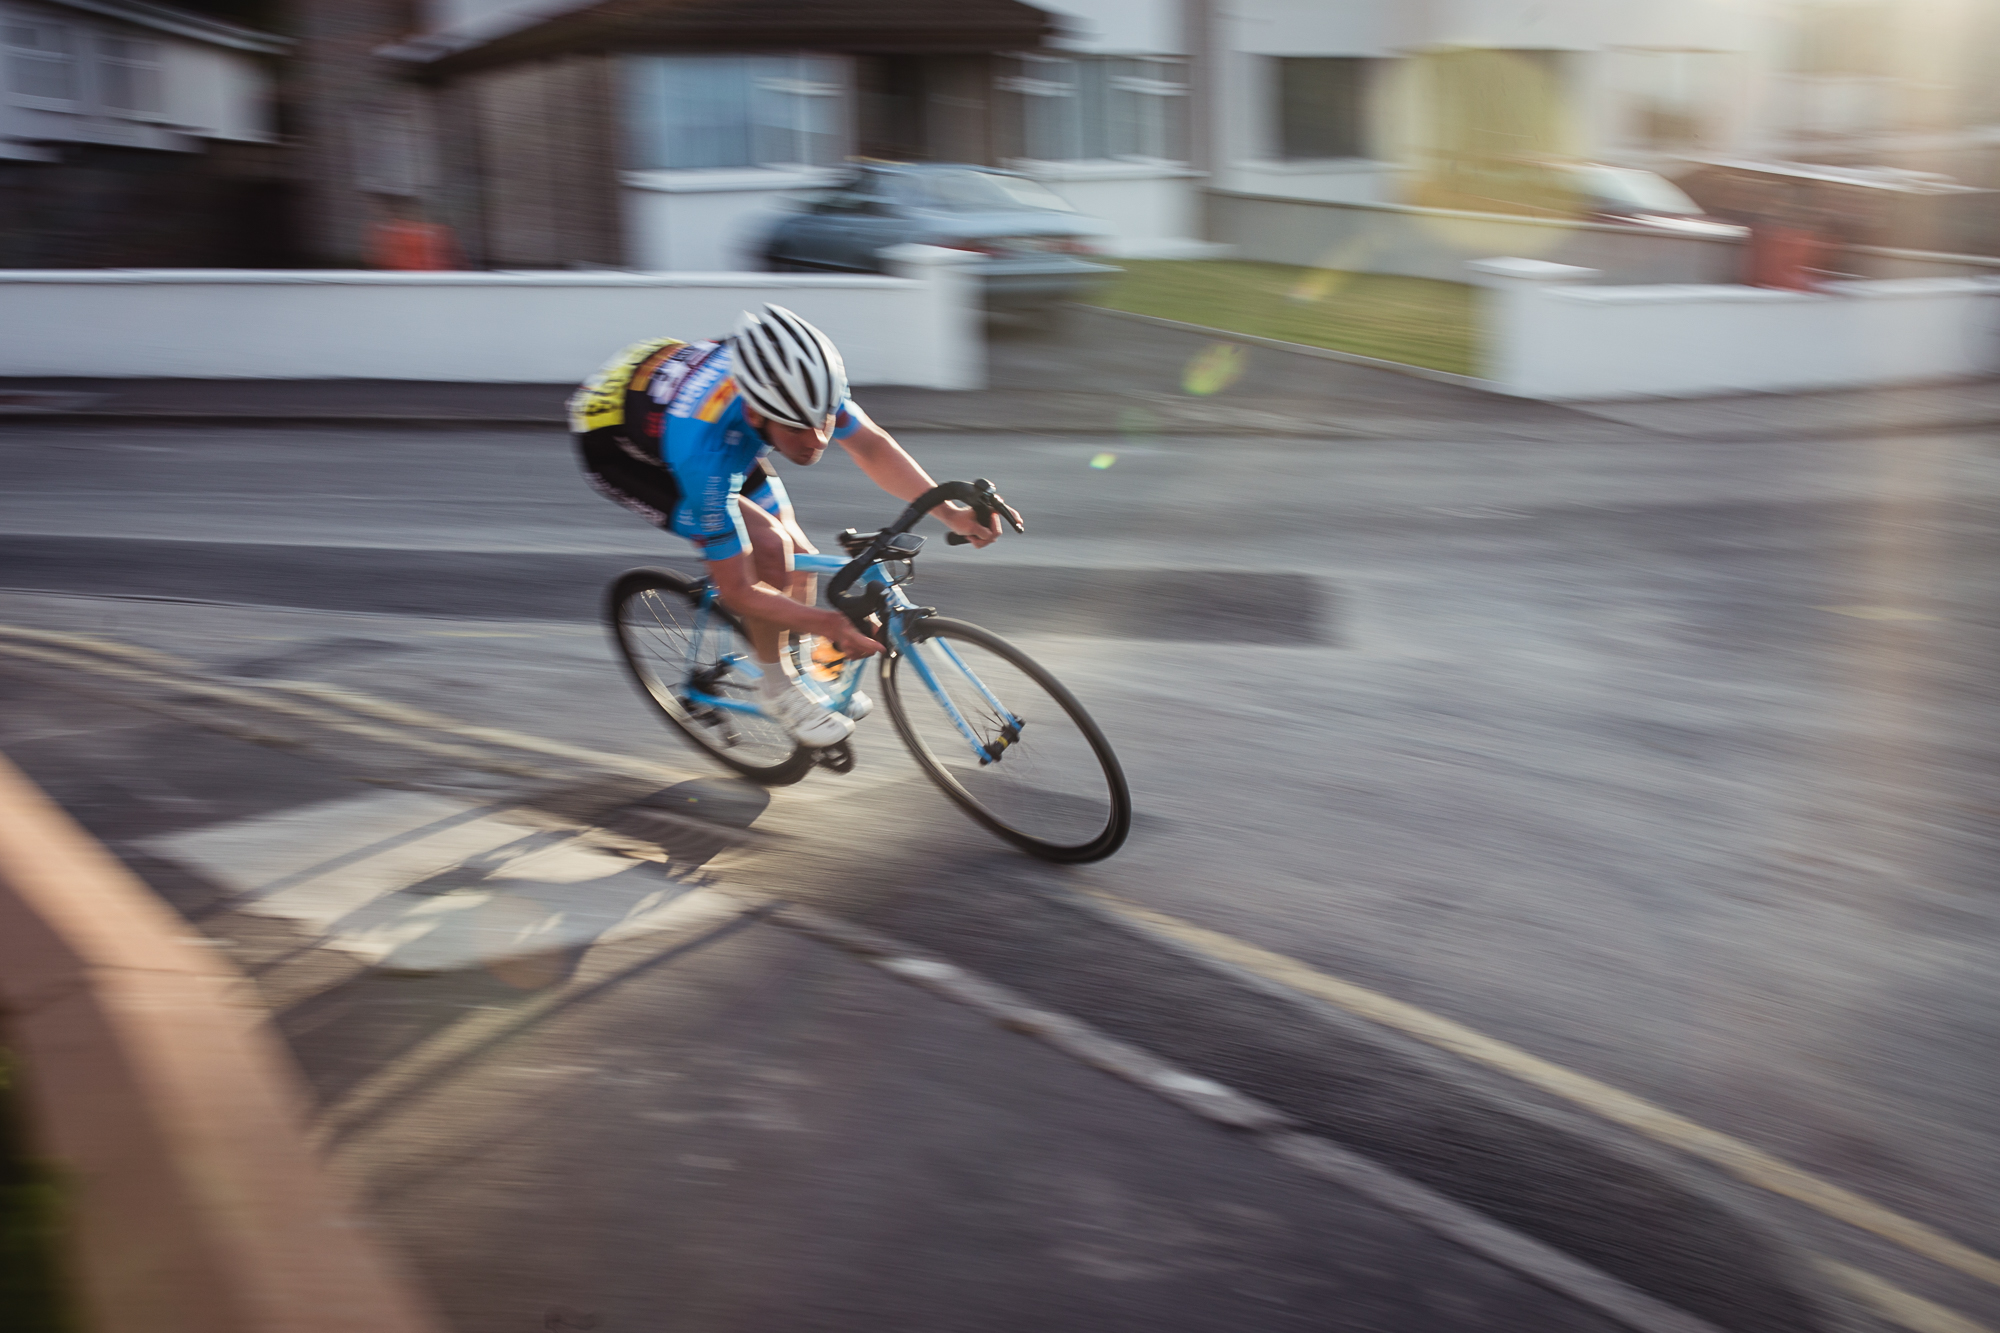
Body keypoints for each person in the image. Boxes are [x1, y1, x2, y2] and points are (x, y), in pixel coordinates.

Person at [570, 304, 1021, 748]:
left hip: (680, 395)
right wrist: (827, 624)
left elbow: (872, 448)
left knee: (797, 555)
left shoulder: (803, 391)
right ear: (756, 416)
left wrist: (953, 514)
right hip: (620, 443)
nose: (818, 440)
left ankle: (796, 669)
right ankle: (778, 688)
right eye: (798, 429)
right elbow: (738, 592)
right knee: (767, 547)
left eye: (823, 421)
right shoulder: (704, 448)